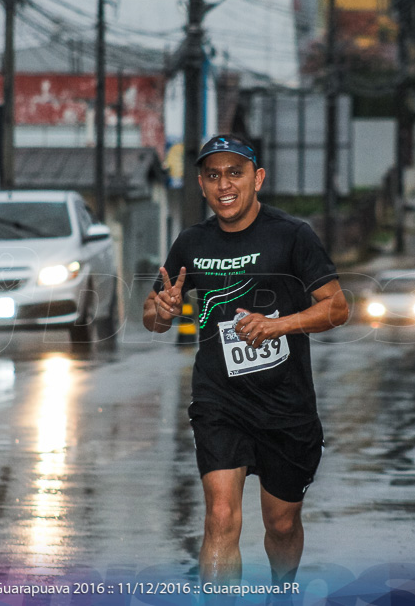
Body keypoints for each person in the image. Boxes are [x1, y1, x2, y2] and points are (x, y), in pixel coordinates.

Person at [142, 134, 349, 585]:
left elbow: (337, 308)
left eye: (234, 173)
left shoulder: (292, 235)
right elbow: (152, 314)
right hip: (220, 400)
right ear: (201, 184)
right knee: (220, 516)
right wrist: (160, 312)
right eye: (213, 175)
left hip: (285, 404)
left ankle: (282, 590)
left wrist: (278, 325)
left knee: (281, 524)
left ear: (257, 178)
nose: (224, 185)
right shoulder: (191, 242)